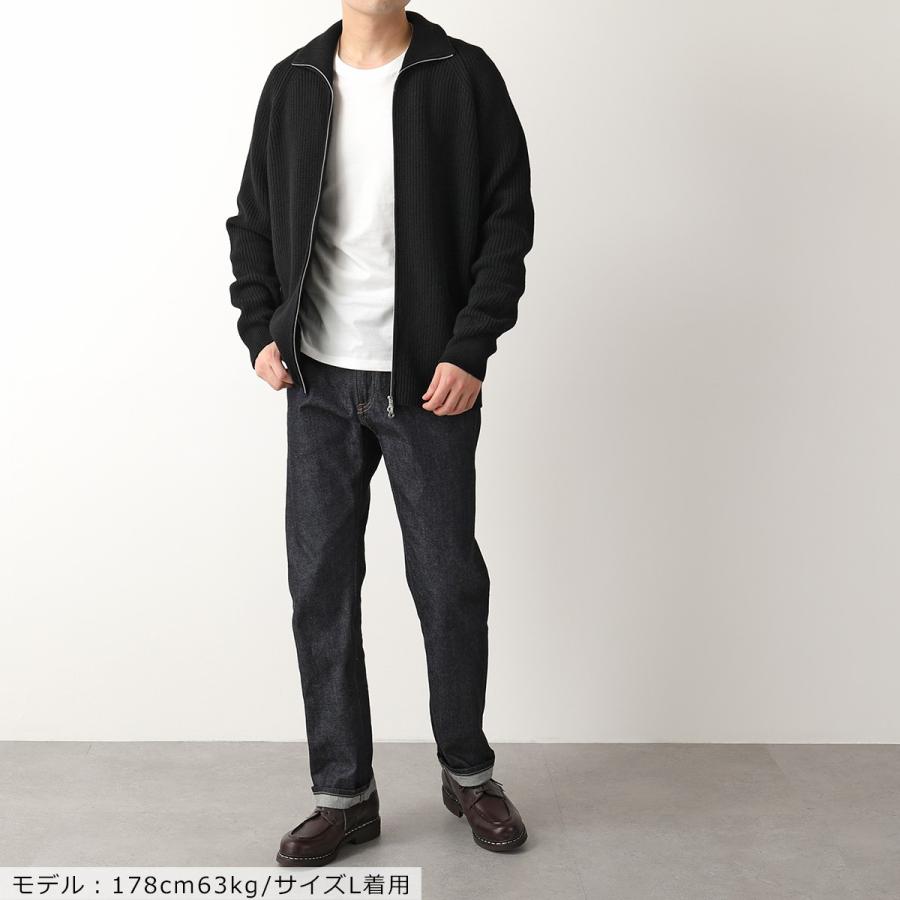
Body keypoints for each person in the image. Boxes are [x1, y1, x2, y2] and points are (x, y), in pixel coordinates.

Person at [226, 0, 534, 866]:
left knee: (447, 582)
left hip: (428, 382)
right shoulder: (294, 83)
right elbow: (252, 221)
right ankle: (343, 795)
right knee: (320, 586)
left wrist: (470, 346)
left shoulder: (461, 75)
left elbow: (508, 220)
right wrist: (261, 330)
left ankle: (468, 773)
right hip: (317, 385)